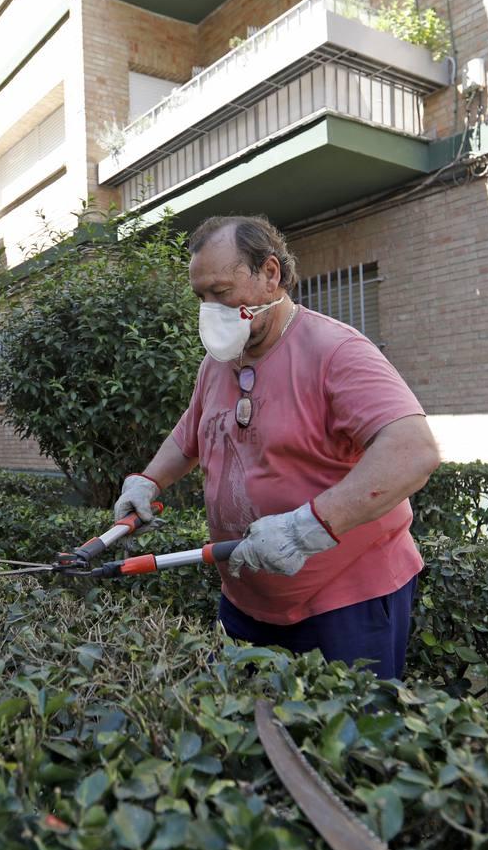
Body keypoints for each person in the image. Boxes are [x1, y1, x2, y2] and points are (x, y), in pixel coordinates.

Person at [114, 215, 440, 680]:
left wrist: (308, 527)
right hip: (247, 599)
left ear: (270, 274)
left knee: (343, 747)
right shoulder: (218, 363)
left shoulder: (336, 350)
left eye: (222, 292)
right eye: (200, 297)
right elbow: (195, 428)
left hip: (346, 603)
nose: (210, 309)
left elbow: (412, 452)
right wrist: (148, 481)